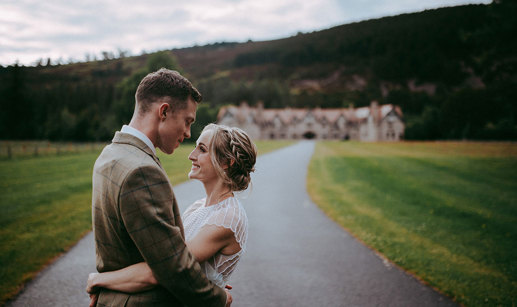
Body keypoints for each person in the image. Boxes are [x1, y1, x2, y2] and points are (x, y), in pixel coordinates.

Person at [91, 68, 231, 307]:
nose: (188, 133)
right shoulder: (141, 171)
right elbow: (172, 266)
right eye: (187, 122)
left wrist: (101, 280)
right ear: (164, 112)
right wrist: (218, 298)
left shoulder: (111, 154)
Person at [88, 123, 257, 306]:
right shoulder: (197, 207)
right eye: (195, 147)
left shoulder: (227, 219)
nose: (191, 155)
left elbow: (165, 270)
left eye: (202, 149)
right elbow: (164, 258)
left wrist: (99, 280)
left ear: (226, 162)